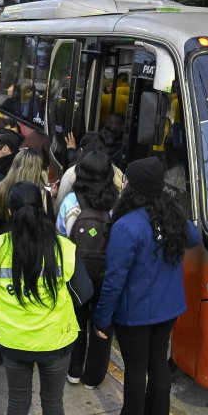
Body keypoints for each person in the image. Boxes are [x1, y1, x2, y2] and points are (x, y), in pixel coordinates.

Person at [0, 181, 92, 415]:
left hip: (12, 341)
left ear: (9, 209)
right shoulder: (63, 249)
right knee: (52, 401)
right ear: (43, 208)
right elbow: (83, 293)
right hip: (55, 341)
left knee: (17, 401)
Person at [93, 157, 199, 415]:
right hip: (168, 309)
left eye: (126, 179)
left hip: (134, 313)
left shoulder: (126, 225)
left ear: (134, 187)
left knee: (136, 369)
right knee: (159, 365)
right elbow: (195, 237)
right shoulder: (172, 215)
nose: (122, 183)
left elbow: (114, 279)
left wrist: (102, 317)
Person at [56, 150, 117, 388]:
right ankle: (94, 377)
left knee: (76, 320)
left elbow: (60, 235)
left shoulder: (71, 202)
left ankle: (74, 369)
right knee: (102, 322)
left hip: (76, 270)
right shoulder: (117, 202)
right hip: (107, 271)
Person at [0, 148, 53, 231]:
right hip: (33, 239)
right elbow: (50, 223)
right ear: (36, 170)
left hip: (4, 238)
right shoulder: (42, 194)